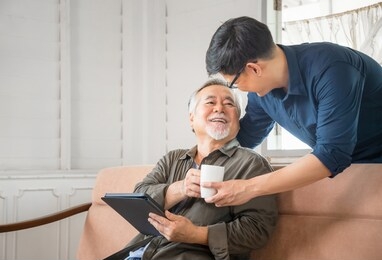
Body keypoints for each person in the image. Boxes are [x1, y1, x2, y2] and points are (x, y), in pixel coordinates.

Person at [204, 16, 382, 207]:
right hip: (350, 170)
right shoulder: (262, 94)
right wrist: (202, 161)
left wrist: (248, 188)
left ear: (254, 69)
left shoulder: (332, 69)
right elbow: (246, 137)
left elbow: (332, 153)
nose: (241, 89)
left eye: (235, 83)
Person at [112, 79, 278, 260]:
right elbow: (138, 197)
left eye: (229, 104)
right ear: (192, 118)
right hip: (140, 253)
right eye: (210, 102)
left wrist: (197, 234)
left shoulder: (251, 164)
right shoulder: (173, 159)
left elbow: (257, 230)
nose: (219, 108)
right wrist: (179, 189)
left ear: (237, 122)